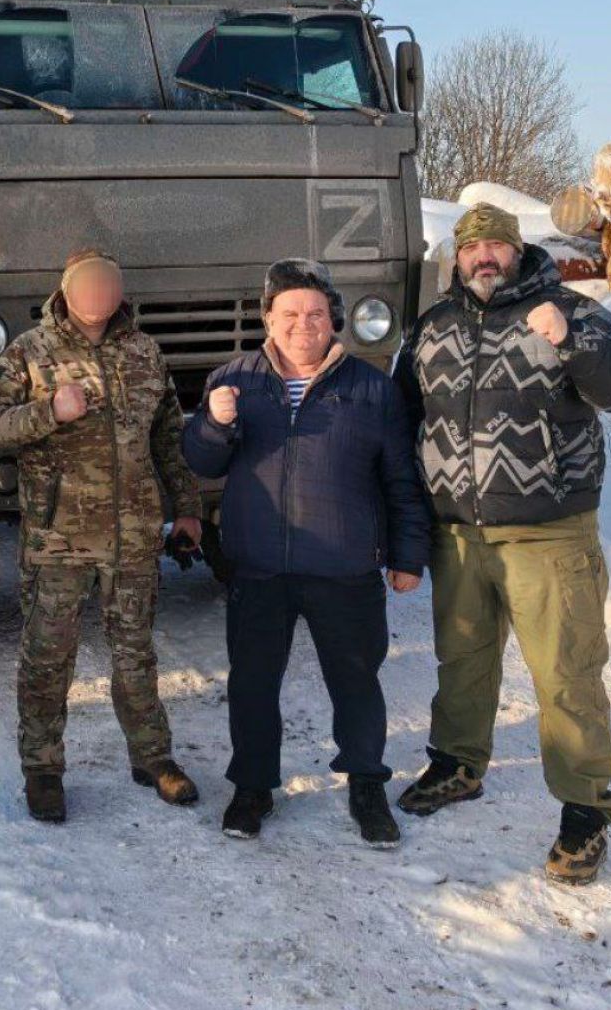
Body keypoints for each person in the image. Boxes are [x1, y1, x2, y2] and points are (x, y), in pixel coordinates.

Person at [394, 201, 611, 885]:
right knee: (462, 660)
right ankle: (457, 764)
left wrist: (572, 340)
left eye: (497, 246)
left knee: (566, 673)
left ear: (517, 251)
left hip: (549, 530)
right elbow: (404, 415)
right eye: (471, 248)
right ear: (458, 258)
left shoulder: (572, 310)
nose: (484, 258)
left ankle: (586, 808)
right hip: (458, 532)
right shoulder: (433, 326)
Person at [182, 259, 429, 846]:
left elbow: (401, 479)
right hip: (259, 567)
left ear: (334, 320)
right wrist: (213, 424)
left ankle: (366, 783)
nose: (303, 324)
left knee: (356, 681)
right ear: (268, 318)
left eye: (316, 313)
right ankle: (252, 787)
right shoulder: (233, 380)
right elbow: (201, 462)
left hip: (345, 568)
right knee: (252, 683)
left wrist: (407, 555)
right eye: (289, 312)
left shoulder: (371, 389)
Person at [0, 248, 203, 822]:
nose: (99, 293)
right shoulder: (29, 350)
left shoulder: (145, 352)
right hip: (59, 537)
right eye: (88, 284)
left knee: (136, 655)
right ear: (66, 291)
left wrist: (188, 508)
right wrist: (49, 411)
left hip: (134, 536)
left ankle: (153, 757)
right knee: (48, 658)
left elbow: (169, 438)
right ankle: (43, 769)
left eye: (108, 284)